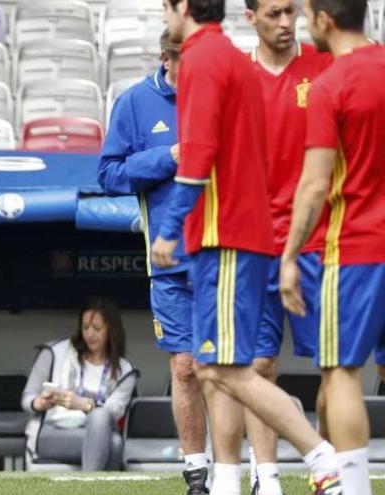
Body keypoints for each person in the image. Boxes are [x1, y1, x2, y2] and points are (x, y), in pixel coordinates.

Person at [152, 1, 342, 494]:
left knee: (223, 368)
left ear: (184, 8)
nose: (165, 14)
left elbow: (197, 154)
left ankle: (321, 457)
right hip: (242, 233)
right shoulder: (236, 61)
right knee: (219, 368)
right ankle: (232, 481)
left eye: (167, 6)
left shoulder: (202, 60)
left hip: (226, 236)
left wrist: (170, 226)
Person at [280, 1, 385, 493]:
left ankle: (354, 489)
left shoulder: (330, 85)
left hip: (356, 249)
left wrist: (289, 255)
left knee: (341, 375)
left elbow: (315, 185)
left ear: (324, 19)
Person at [97, 30, 209, 493]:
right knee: (184, 367)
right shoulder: (134, 103)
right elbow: (108, 175)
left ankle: (243, 471)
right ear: (166, 57)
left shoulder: (220, 96)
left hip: (224, 255)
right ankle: (197, 472)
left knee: (229, 371)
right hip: (169, 263)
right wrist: (168, 157)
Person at [242, 1, 332, 493]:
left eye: (289, 12)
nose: (284, 22)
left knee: (335, 370)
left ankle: (337, 473)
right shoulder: (237, 76)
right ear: (250, 16)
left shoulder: (323, 66)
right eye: (273, 13)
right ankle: (267, 478)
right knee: (257, 365)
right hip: (256, 245)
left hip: (317, 242)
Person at [22, 297, 137, 471]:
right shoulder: (55, 352)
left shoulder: (125, 371)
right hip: (55, 430)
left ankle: (86, 486)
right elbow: (27, 398)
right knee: (113, 445)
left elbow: (113, 413)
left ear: (111, 330)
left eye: (97, 328)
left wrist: (83, 404)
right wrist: (39, 403)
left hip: (97, 431)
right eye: (85, 327)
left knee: (102, 420)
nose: (90, 334)